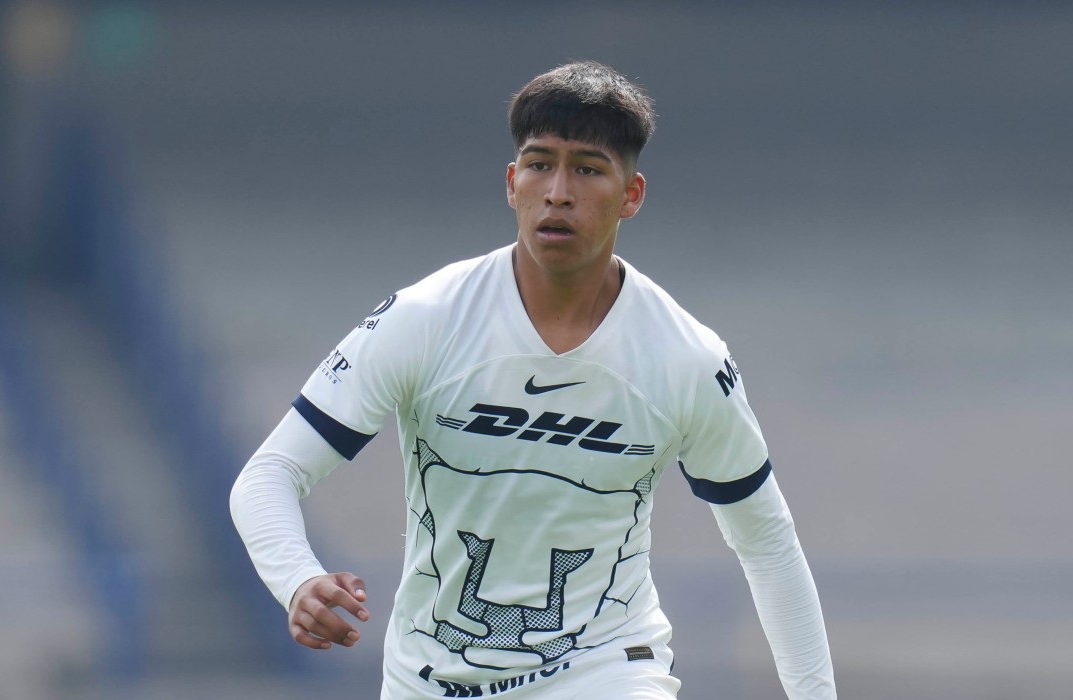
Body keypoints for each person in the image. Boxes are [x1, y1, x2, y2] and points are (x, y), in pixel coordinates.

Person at [230, 61, 835, 699]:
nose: (558, 192)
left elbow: (767, 541)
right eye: (540, 164)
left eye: (589, 169)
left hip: (606, 670)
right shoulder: (425, 319)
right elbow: (268, 475)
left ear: (631, 195)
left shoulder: (686, 358)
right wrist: (298, 580)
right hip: (430, 681)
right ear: (512, 183)